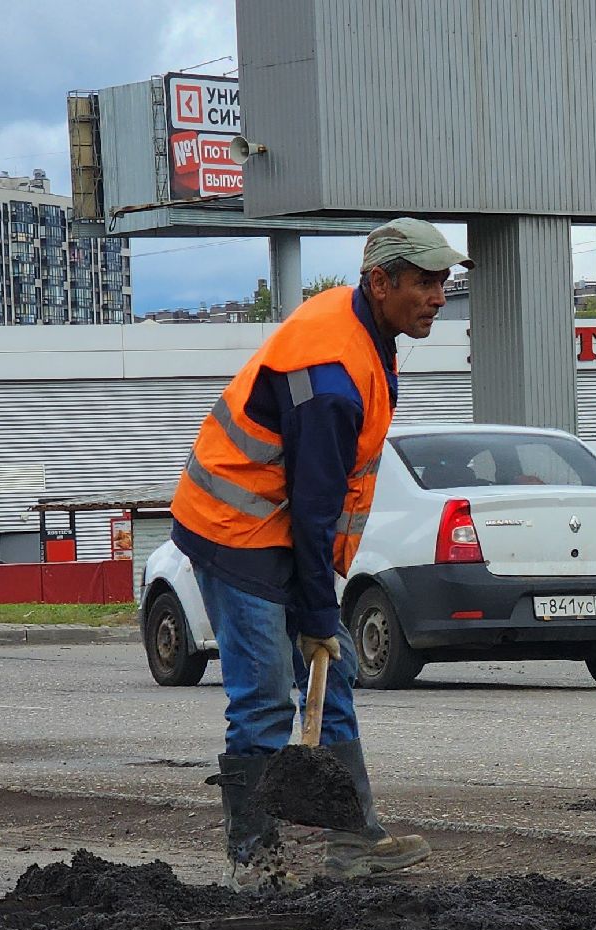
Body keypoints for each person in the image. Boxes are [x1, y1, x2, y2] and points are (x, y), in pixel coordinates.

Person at [172, 218, 470, 893]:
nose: (437, 295)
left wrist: (318, 615)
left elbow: (316, 504)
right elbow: (311, 508)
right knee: (262, 701)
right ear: (379, 282)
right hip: (235, 531)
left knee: (329, 674)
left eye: (442, 282)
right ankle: (253, 861)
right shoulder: (331, 378)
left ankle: (353, 842)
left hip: (278, 524)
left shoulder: (362, 325)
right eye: (424, 282)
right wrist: (313, 610)